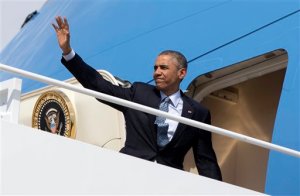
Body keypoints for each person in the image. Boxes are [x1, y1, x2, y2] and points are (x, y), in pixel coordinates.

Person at [52, 16, 222, 181]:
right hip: (127, 175)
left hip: (168, 183)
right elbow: (98, 85)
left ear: (181, 73)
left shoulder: (198, 112)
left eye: (163, 68)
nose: (157, 72)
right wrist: (68, 52)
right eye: (155, 68)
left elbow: (206, 160)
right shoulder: (139, 93)